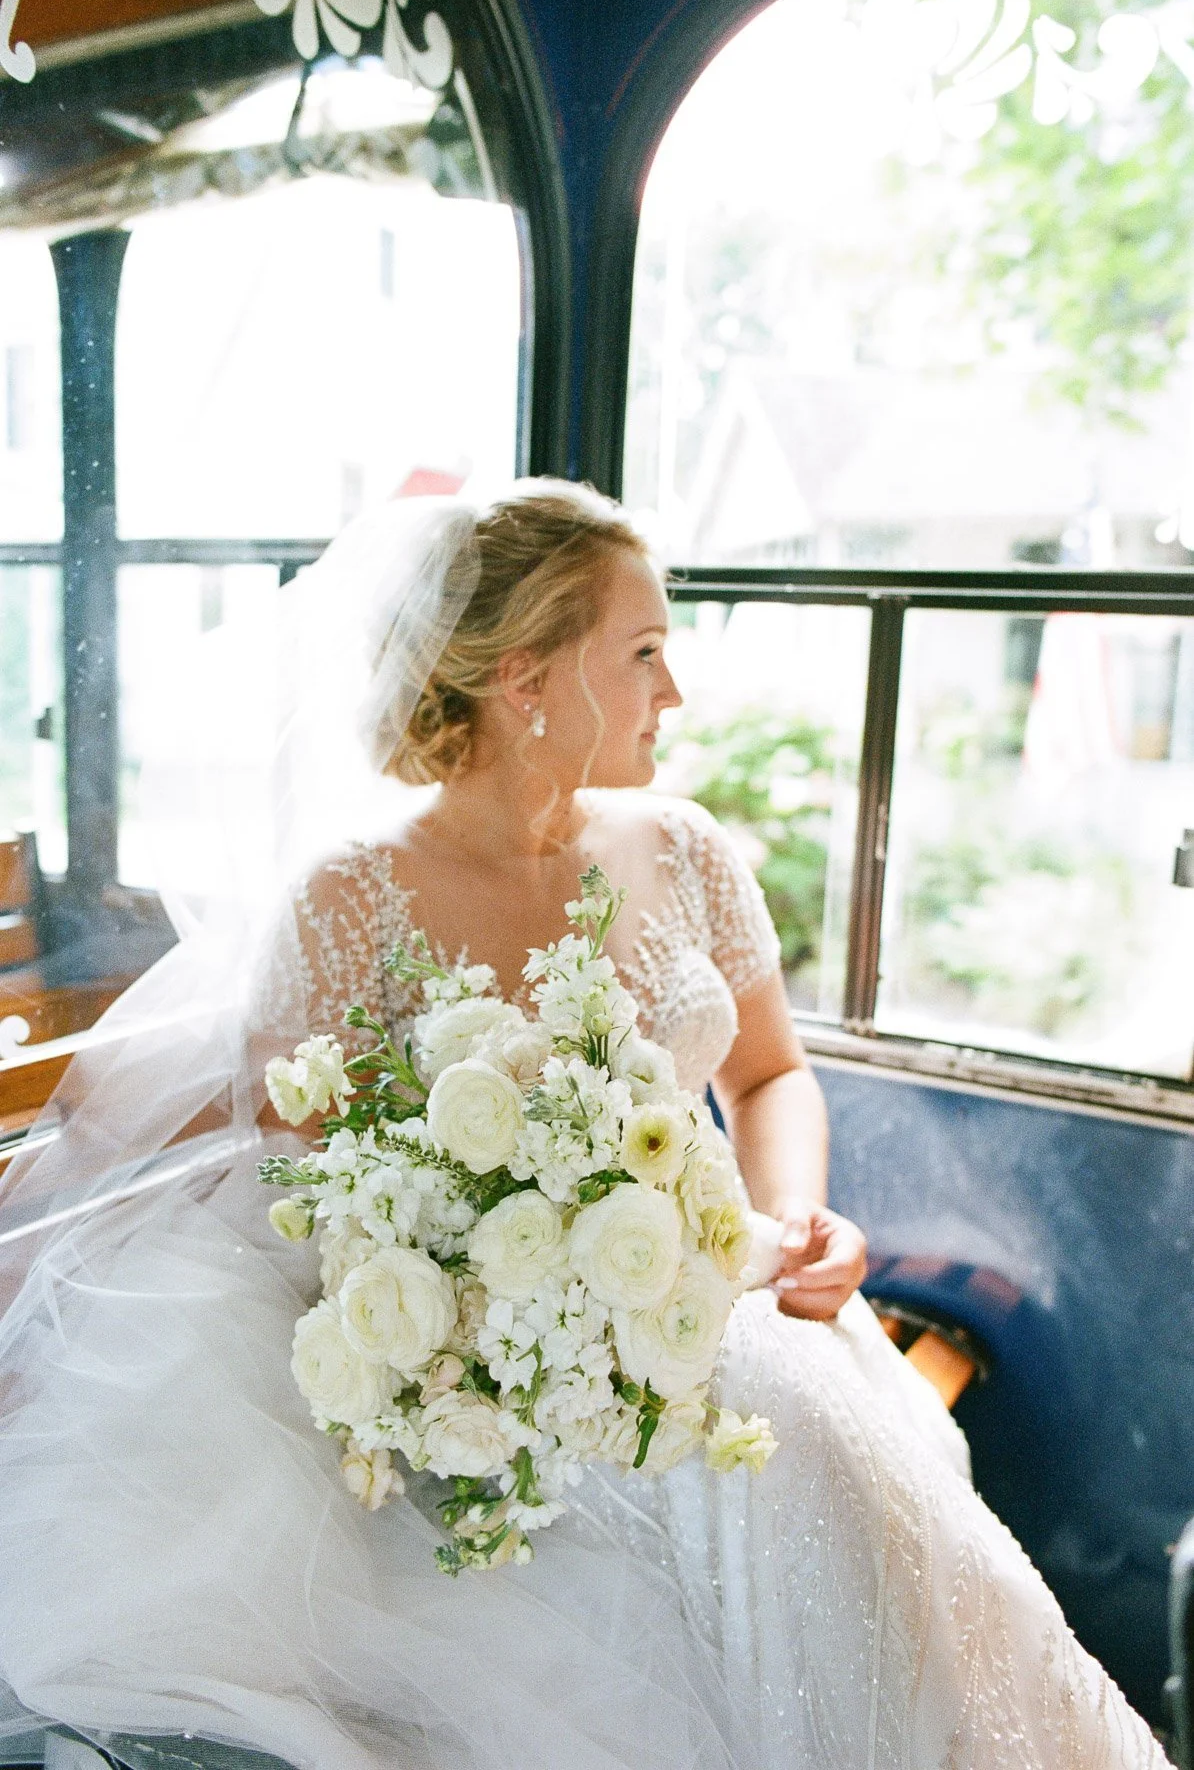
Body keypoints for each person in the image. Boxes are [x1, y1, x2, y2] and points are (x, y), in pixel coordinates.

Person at [0, 483, 1170, 1770]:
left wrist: (793, 1223)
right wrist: (538, 1313)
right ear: (528, 679)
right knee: (783, 1456)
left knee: (813, 1444)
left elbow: (771, 1076)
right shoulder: (346, 900)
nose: (678, 693)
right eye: (646, 652)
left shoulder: (686, 849)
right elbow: (315, 1192)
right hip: (501, 1366)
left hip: (723, 1287)